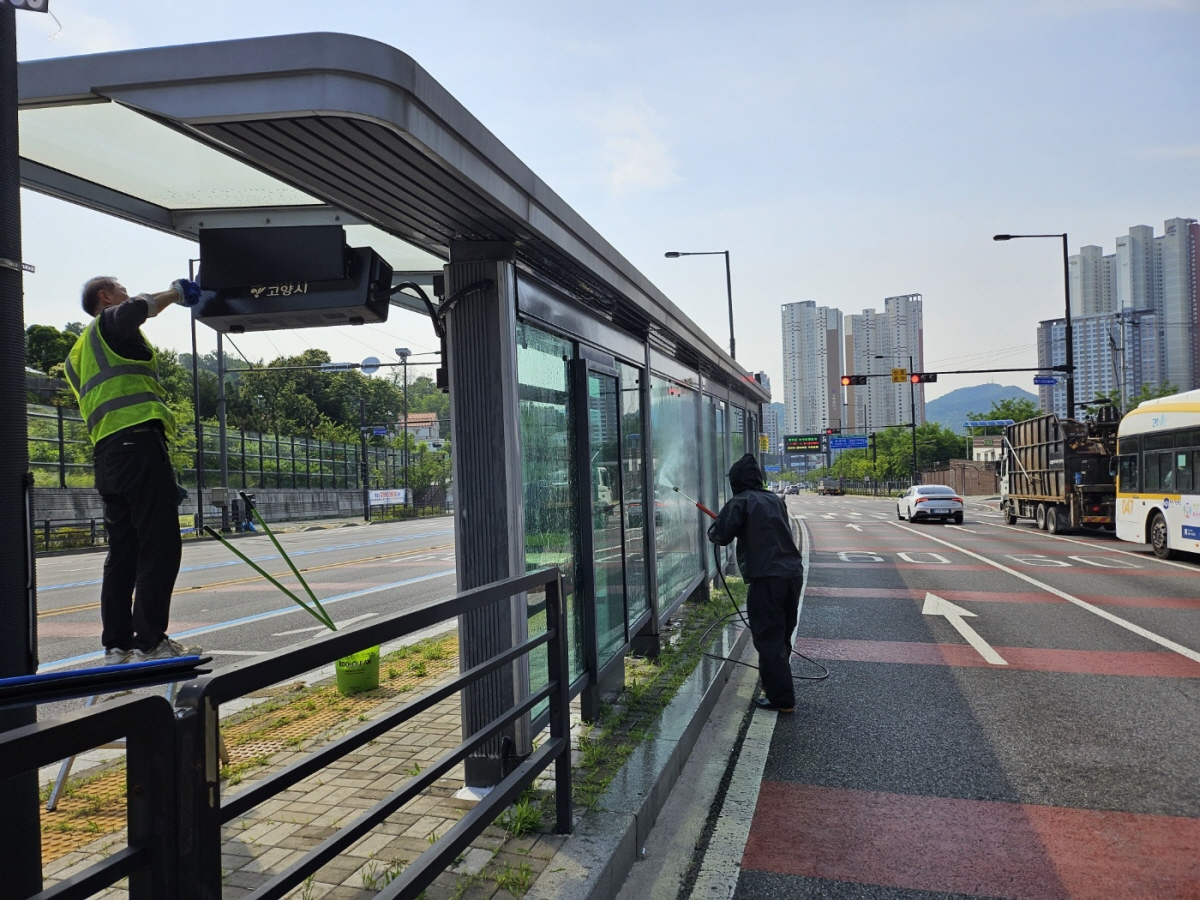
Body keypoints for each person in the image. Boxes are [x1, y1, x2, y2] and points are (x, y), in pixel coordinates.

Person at [64, 276, 202, 664]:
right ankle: (151, 642)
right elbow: (133, 311)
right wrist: (176, 293)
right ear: (104, 297)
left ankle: (118, 645)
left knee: (122, 552)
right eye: (121, 289)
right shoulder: (108, 322)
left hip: (108, 456)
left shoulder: (76, 353)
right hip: (138, 444)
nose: (128, 293)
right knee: (159, 545)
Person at [707, 453, 804, 712]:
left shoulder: (740, 501)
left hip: (766, 578)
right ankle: (774, 686)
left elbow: (721, 536)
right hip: (792, 574)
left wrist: (717, 525)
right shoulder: (774, 499)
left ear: (736, 481)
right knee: (781, 633)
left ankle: (782, 699)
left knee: (767, 636)